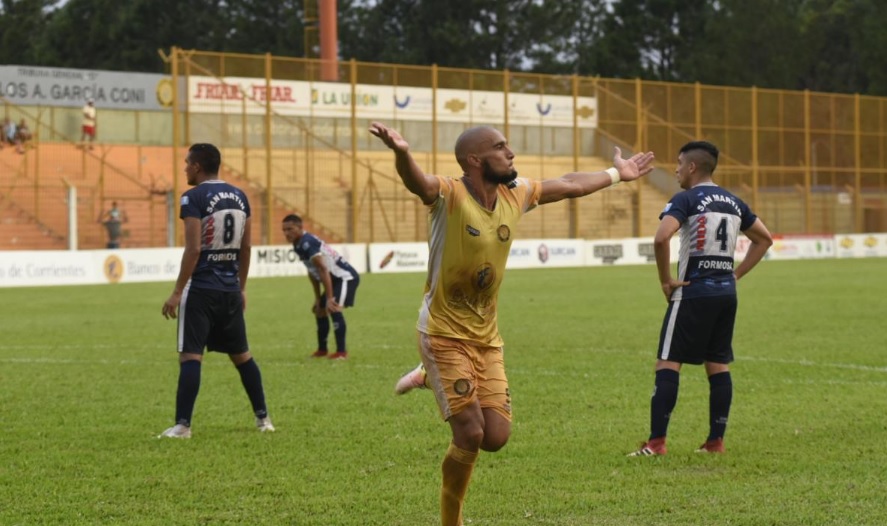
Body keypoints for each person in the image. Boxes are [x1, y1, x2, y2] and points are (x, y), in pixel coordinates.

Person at [369, 121, 654, 526]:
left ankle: (429, 376)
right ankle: (451, 521)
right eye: (500, 147)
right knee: (470, 434)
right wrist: (402, 154)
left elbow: (569, 184)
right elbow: (419, 183)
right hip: (443, 334)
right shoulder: (449, 194)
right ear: (475, 160)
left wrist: (615, 174)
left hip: (487, 338)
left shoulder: (515, 193)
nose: (510, 153)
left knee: (496, 437)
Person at [627, 141, 772, 457]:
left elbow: (661, 237)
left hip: (693, 291)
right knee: (717, 364)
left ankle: (656, 443)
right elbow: (764, 239)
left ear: (692, 167)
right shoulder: (734, 201)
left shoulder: (686, 199)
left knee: (668, 361)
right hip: (726, 294)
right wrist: (735, 275)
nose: (676, 169)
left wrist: (666, 280)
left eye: (679, 163)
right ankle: (715, 441)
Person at [159, 143, 274, 438]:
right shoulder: (240, 196)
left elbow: (194, 249)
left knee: (190, 356)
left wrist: (176, 292)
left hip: (201, 289)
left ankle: (182, 426)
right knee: (242, 356)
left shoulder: (193, 197)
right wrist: (241, 287)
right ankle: (263, 420)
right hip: (230, 290)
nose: (185, 168)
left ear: (197, 166)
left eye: (187, 163)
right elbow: (246, 247)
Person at [281, 214, 360, 360]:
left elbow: (323, 269)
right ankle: (322, 350)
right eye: (284, 230)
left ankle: (341, 353)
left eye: (290, 229)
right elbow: (313, 271)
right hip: (333, 280)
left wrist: (329, 298)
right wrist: (318, 298)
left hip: (345, 277)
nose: (286, 233)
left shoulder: (307, 242)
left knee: (333, 308)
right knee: (320, 311)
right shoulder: (298, 245)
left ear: (300, 227)